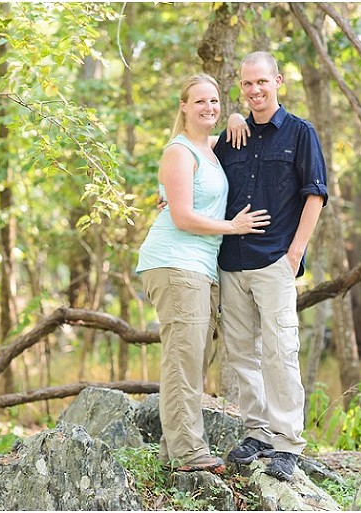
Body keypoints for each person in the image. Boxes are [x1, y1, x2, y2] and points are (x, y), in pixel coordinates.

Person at [136, 74, 271, 473]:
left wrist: (232, 114)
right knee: (184, 360)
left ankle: (173, 449)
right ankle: (189, 454)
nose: (208, 107)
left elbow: (235, 130)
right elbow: (180, 216)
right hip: (175, 263)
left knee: (194, 358)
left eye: (213, 101)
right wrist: (234, 227)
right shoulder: (179, 152)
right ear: (183, 106)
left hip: (199, 267)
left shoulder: (208, 148)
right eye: (199, 102)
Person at [213, 51, 328, 481]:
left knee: (281, 352)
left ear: (278, 80)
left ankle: (287, 442)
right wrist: (230, 122)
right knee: (243, 353)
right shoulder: (232, 136)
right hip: (232, 262)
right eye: (247, 84)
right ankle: (258, 433)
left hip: (275, 261)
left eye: (262, 82)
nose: (255, 90)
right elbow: (198, 155)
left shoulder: (300, 134)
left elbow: (314, 195)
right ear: (240, 88)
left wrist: (294, 254)